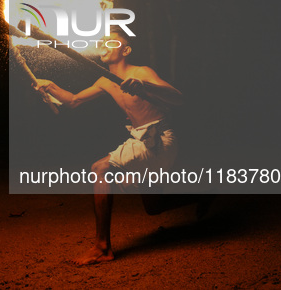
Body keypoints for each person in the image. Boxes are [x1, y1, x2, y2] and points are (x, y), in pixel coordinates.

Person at [35, 27, 208, 265]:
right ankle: (205, 194)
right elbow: (73, 101)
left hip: (159, 139)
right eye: (102, 42)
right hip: (138, 138)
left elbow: (178, 98)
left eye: (111, 43)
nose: (103, 45)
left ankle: (102, 248)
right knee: (154, 207)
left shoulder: (141, 72)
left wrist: (144, 86)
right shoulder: (105, 81)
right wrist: (50, 86)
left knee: (100, 169)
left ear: (125, 50)